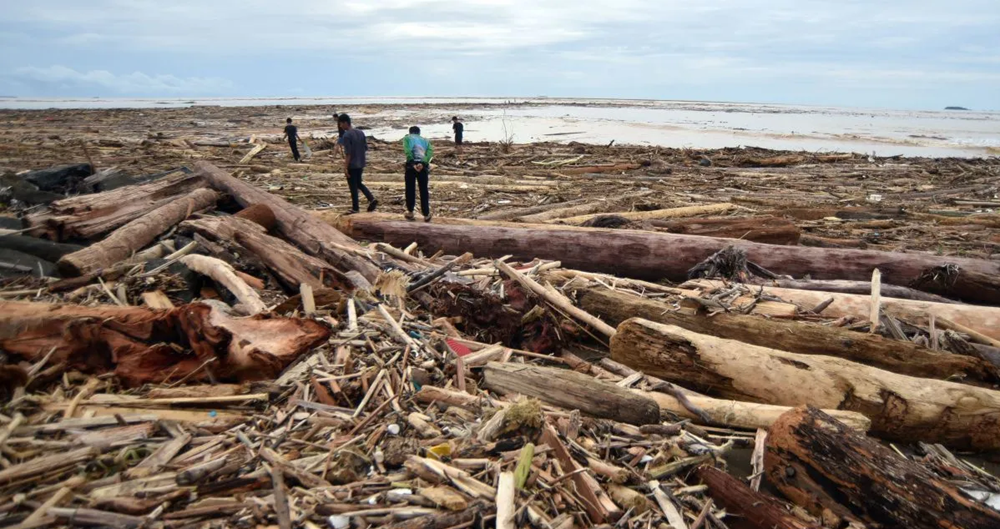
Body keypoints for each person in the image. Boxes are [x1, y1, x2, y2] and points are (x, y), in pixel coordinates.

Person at [338, 114, 377, 213]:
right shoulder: (360, 132)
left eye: (341, 124)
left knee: (353, 186)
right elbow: (365, 148)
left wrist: (345, 167)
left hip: (352, 164)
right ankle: (371, 198)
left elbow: (348, 153)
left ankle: (355, 208)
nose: (340, 126)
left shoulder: (347, 135)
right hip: (361, 163)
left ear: (346, 123)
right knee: (359, 183)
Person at [402, 126, 434, 222]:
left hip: (411, 167)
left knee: (410, 189)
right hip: (423, 167)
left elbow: (407, 151)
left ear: (410, 132)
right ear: (419, 133)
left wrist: (412, 163)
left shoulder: (407, 138)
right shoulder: (425, 140)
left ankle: (411, 212)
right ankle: (426, 214)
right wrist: (423, 163)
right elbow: (429, 153)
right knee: (424, 190)